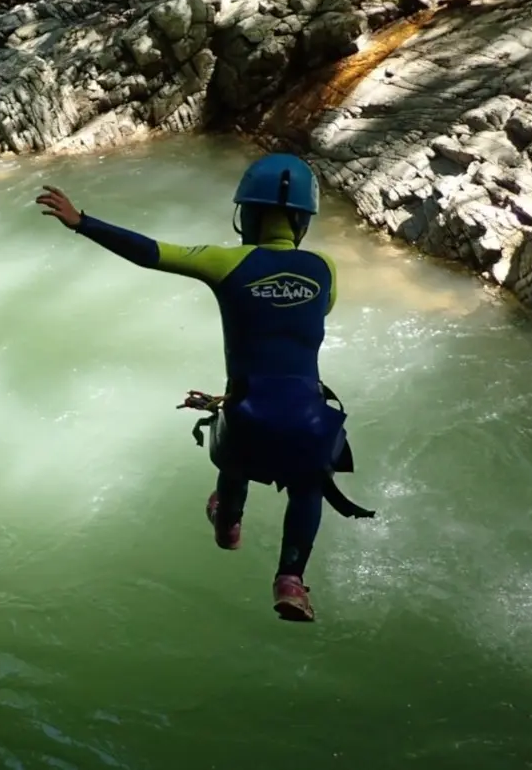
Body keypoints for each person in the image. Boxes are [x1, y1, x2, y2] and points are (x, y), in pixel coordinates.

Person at [34, 154, 363, 623]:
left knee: (235, 450)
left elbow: (152, 252)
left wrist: (81, 222)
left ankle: (228, 524)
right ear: (304, 220)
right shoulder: (325, 268)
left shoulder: (225, 261)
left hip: (248, 414)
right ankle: (291, 579)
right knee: (309, 483)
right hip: (310, 418)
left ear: (246, 213)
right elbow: (317, 311)